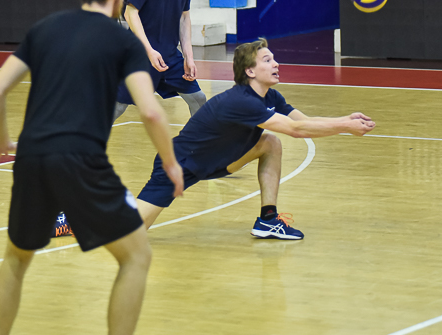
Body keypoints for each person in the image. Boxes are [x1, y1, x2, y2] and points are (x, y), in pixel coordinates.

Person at [0, 0, 183, 335]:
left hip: (31, 158)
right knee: (136, 257)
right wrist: (171, 162)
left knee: (16, 258)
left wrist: (2, 142)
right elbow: (151, 112)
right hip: (81, 159)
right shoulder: (123, 41)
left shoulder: (44, 29)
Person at [135, 38, 377, 240]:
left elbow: (304, 121)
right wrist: (345, 126)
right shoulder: (242, 101)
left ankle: (268, 220)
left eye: (274, 59)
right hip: (179, 165)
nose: (276, 63)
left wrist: (345, 119)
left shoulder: (271, 97)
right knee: (129, 232)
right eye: (267, 60)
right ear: (250, 71)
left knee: (270, 143)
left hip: (218, 161)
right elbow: (296, 130)